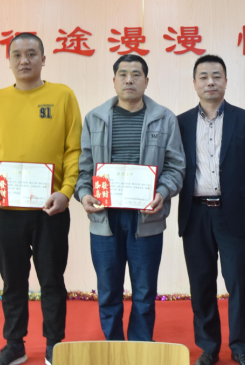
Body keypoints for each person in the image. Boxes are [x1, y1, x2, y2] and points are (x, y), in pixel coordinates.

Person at [0, 33, 83, 365]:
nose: (25, 60)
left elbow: (74, 150)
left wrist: (66, 192)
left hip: (50, 208)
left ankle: (54, 345)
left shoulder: (63, 96)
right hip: (5, 209)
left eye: (32, 54)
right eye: (17, 54)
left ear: (43, 59)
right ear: (8, 61)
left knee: (52, 281)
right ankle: (14, 345)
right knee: (13, 282)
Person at [74, 54, 185, 342]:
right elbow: (83, 171)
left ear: (146, 81)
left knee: (145, 292)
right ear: (113, 81)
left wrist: (161, 193)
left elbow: (176, 168)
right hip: (105, 219)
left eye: (136, 74)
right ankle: (114, 348)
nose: (129, 80)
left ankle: (140, 348)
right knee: (108, 291)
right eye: (123, 74)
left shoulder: (165, 118)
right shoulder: (94, 118)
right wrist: (84, 196)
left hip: (146, 218)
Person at [177, 55, 245, 365]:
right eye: (203, 76)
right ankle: (209, 348)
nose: (210, 82)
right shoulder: (181, 123)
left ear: (226, 81)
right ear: (194, 83)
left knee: (239, 283)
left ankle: (241, 348)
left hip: (233, 214)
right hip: (195, 214)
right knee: (201, 284)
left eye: (216, 76)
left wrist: (235, 196)